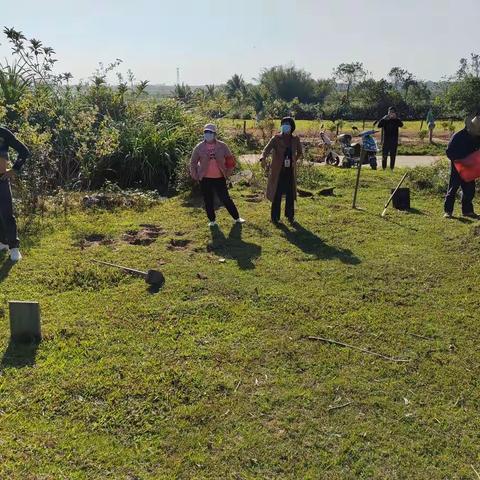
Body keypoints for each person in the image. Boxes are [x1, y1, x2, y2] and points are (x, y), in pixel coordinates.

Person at [190, 123, 245, 227]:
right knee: (208, 200)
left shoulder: (222, 146)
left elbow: (230, 161)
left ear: (214, 134)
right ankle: (212, 221)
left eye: (210, 132)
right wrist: (195, 175)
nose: (207, 134)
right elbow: (193, 162)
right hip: (205, 178)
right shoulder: (199, 147)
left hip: (219, 177)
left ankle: (237, 218)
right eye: (206, 132)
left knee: (225, 198)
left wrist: (228, 173)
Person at [259, 117, 303, 224]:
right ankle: (275, 218)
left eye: (287, 124)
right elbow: (266, 149)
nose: (285, 126)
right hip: (278, 171)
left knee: (290, 194)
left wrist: (294, 160)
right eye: (283, 124)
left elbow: (300, 152)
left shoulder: (295, 139)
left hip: (290, 172)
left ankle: (290, 216)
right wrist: (262, 158)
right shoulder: (276, 138)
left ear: (292, 127)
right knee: (276, 194)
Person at [0, 126, 30, 262]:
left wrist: (14, 169)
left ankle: (14, 248)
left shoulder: (3, 133)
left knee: (7, 214)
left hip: (1, 179)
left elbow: (24, 152)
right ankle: (3, 243)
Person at [444, 114, 480, 219]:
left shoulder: (477, 137)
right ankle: (448, 211)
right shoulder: (458, 136)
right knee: (453, 188)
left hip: (470, 167)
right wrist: (460, 161)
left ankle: (467, 211)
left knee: (470, 190)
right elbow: (449, 152)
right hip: (458, 166)